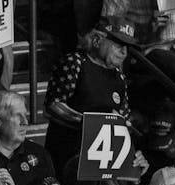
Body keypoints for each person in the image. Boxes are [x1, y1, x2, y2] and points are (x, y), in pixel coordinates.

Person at [44, 18, 134, 172]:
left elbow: (123, 117)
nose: (124, 52)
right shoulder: (75, 63)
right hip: (68, 154)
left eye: (127, 47)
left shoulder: (119, 78)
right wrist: (90, 122)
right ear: (98, 40)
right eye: (118, 45)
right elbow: (54, 104)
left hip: (101, 160)